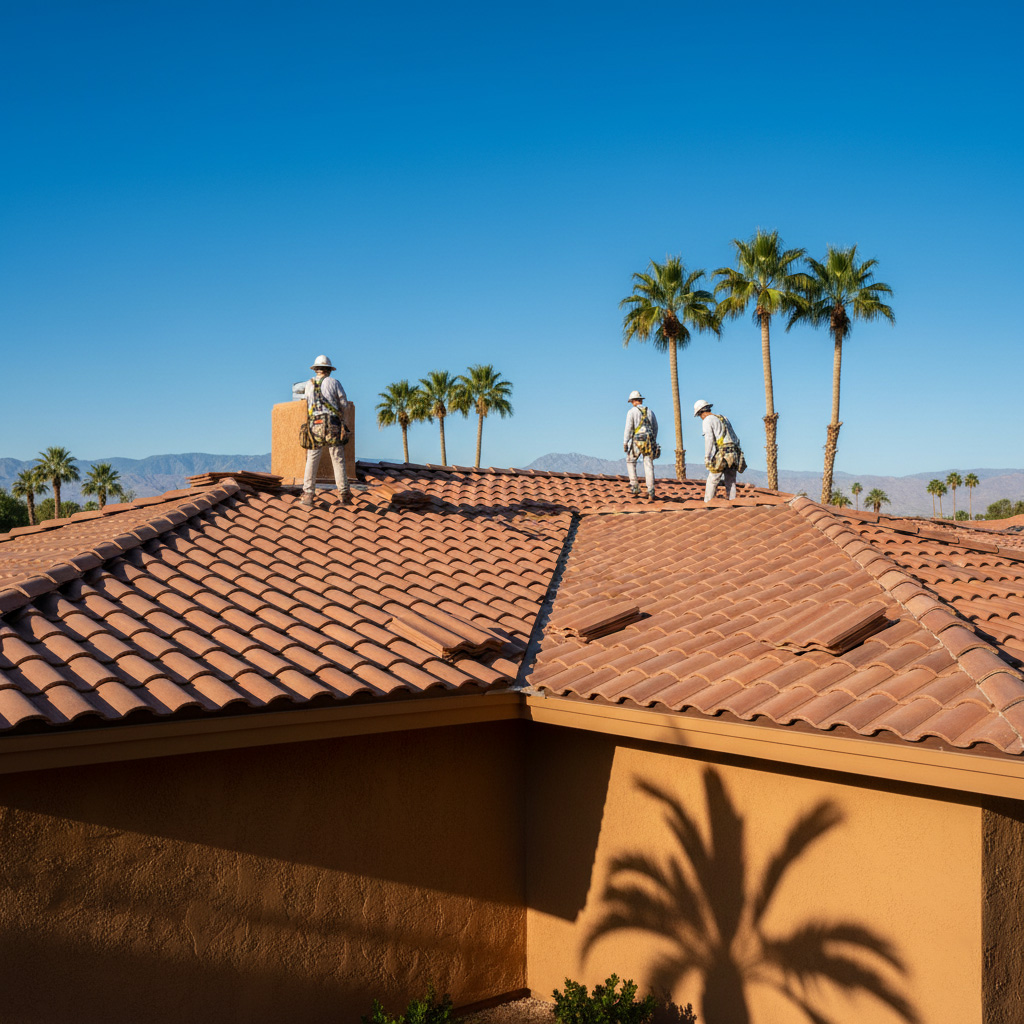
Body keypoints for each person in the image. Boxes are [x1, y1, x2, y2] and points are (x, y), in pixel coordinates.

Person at [301, 354, 352, 507]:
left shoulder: (309, 385)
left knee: (312, 458)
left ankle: (308, 494)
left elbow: (307, 403)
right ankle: (344, 495)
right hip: (332, 424)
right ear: (329, 370)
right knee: (337, 458)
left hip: (314, 425)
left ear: (316, 369)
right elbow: (344, 403)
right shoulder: (334, 382)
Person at [694, 399, 744, 502]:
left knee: (713, 479)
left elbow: (709, 439)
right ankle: (733, 502)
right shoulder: (724, 418)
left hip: (723, 453)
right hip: (734, 453)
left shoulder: (707, 420)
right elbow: (735, 438)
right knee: (731, 481)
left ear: (701, 412)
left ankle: (708, 503)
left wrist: (707, 457)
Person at [623, 390, 659, 500]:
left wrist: (625, 442)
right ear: (640, 400)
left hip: (637, 440)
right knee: (648, 464)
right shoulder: (650, 411)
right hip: (649, 440)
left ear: (633, 401)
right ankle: (651, 490)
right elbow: (655, 427)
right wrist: (653, 440)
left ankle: (634, 487)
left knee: (630, 460)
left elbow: (629, 428)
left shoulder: (632, 412)